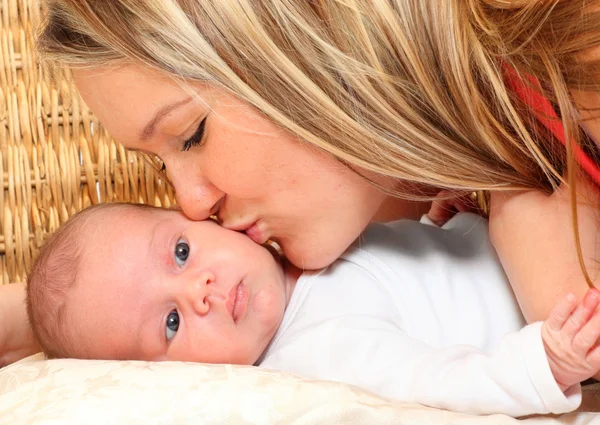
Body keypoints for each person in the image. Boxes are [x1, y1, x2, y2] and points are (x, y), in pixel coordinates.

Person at [2, 1, 600, 365]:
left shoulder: (573, 63)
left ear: (302, 41)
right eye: (163, 165)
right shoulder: (403, 182)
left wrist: (527, 208)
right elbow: (107, 298)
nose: (191, 203)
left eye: (191, 136)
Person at [24, 202, 600, 417]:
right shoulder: (320, 352)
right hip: (559, 303)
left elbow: (406, 278)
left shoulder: (301, 236)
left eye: (180, 252)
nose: (199, 289)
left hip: (519, 231)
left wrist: (440, 227)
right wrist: (545, 363)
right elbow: (440, 381)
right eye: (171, 323)